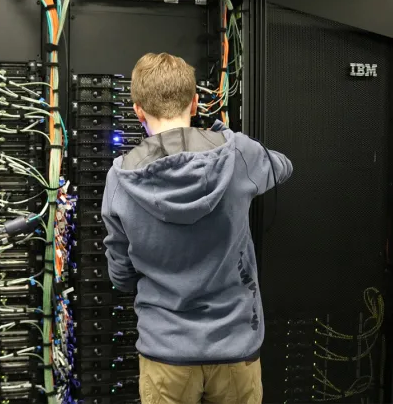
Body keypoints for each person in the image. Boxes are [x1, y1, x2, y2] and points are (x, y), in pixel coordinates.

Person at [101, 53, 293, 404]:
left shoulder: (119, 179)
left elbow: (121, 276)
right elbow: (282, 166)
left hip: (165, 353)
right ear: (195, 103)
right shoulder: (237, 155)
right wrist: (227, 136)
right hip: (235, 348)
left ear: (138, 110)